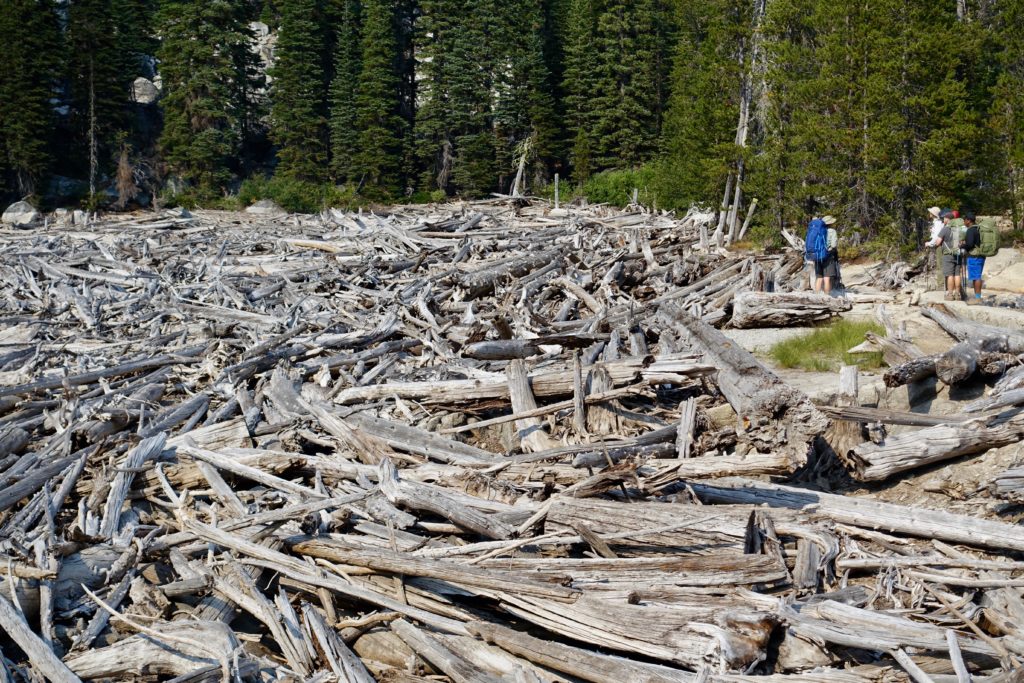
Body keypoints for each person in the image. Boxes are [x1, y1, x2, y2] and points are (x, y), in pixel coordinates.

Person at [936, 209, 965, 300]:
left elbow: (938, 242)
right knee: (957, 274)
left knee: (950, 275)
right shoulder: (958, 229)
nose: (943, 220)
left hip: (948, 254)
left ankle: (950, 294)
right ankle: (957, 294)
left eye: (944, 218)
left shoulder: (945, 229)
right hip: (957, 254)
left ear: (948, 219)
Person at [961, 211, 984, 302]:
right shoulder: (978, 228)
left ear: (969, 221)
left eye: (965, 220)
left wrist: (962, 246)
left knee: (976, 276)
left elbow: (970, 244)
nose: (964, 222)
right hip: (981, 255)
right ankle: (977, 297)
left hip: (974, 255)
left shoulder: (971, 230)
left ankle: (978, 298)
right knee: (976, 276)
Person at [814, 215, 839, 295]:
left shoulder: (817, 230)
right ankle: (827, 297)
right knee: (827, 278)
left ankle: (817, 296)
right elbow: (834, 245)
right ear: (831, 223)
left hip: (817, 256)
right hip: (828, 256)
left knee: (819, 278)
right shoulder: (832, 231)